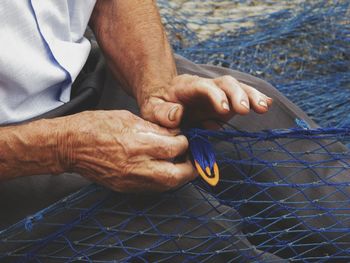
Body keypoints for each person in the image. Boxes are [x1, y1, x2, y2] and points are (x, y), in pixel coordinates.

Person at [0, 0, 348, 261]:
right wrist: (61, 147)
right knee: (197, 236)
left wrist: (157, 88)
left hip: (94, 74)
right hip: (17, 153)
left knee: (308, 176)